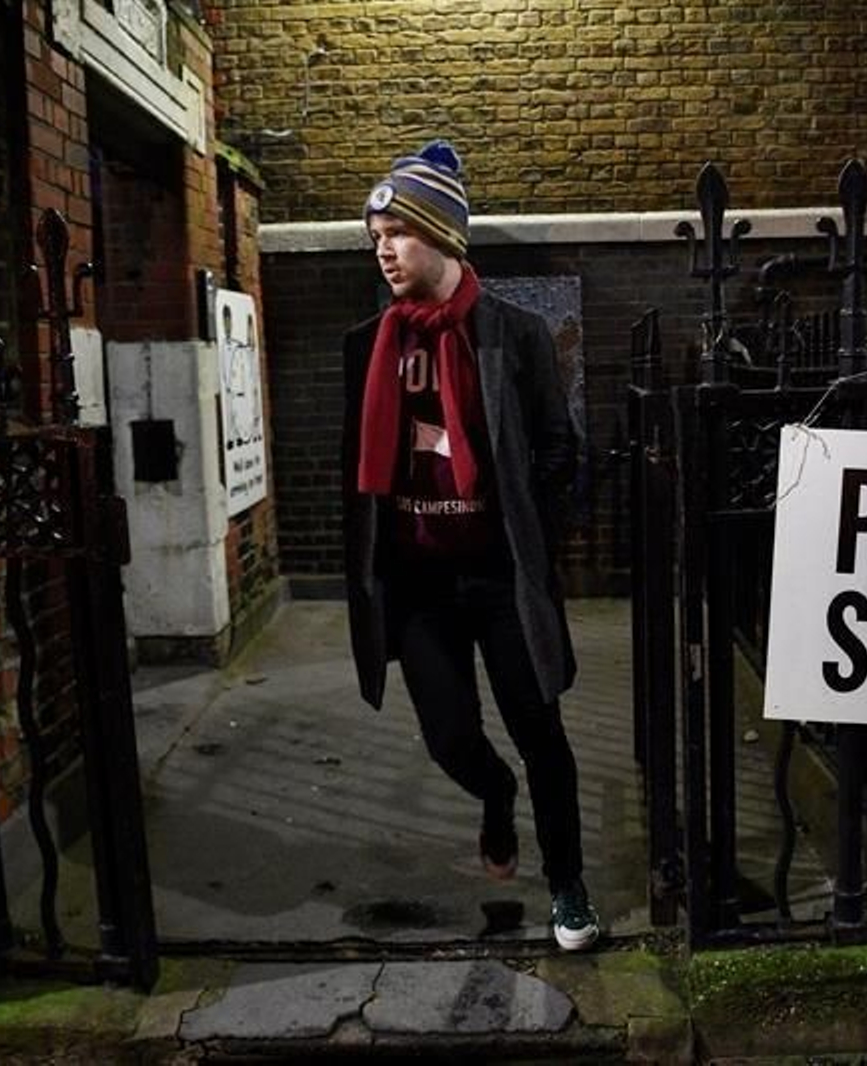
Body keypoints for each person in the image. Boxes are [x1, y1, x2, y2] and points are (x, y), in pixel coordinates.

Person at [340, 140, 598, 952]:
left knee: (541, 735)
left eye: (399, 232)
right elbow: (353, 470)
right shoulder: (368, 345)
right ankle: (495, 798)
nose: (384, 249)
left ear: (445, 237)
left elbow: (561, 451)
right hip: (419, 583)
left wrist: (529, 535)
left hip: (499, 577)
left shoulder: (513, 335)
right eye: (375, 234)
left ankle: (568, 886)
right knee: (451, 738)